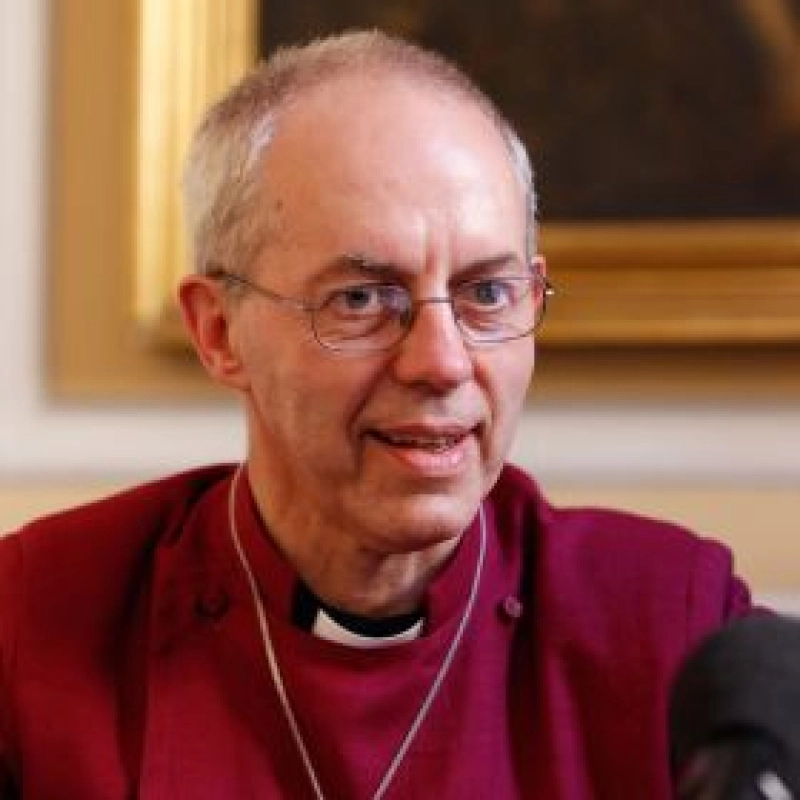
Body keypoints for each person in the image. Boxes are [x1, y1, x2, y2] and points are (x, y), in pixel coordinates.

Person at [0, 31, 753, 799]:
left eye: (486, 293)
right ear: (220, 332)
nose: (442, 362)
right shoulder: (33, 622)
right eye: (361, 299)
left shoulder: (672, 627)